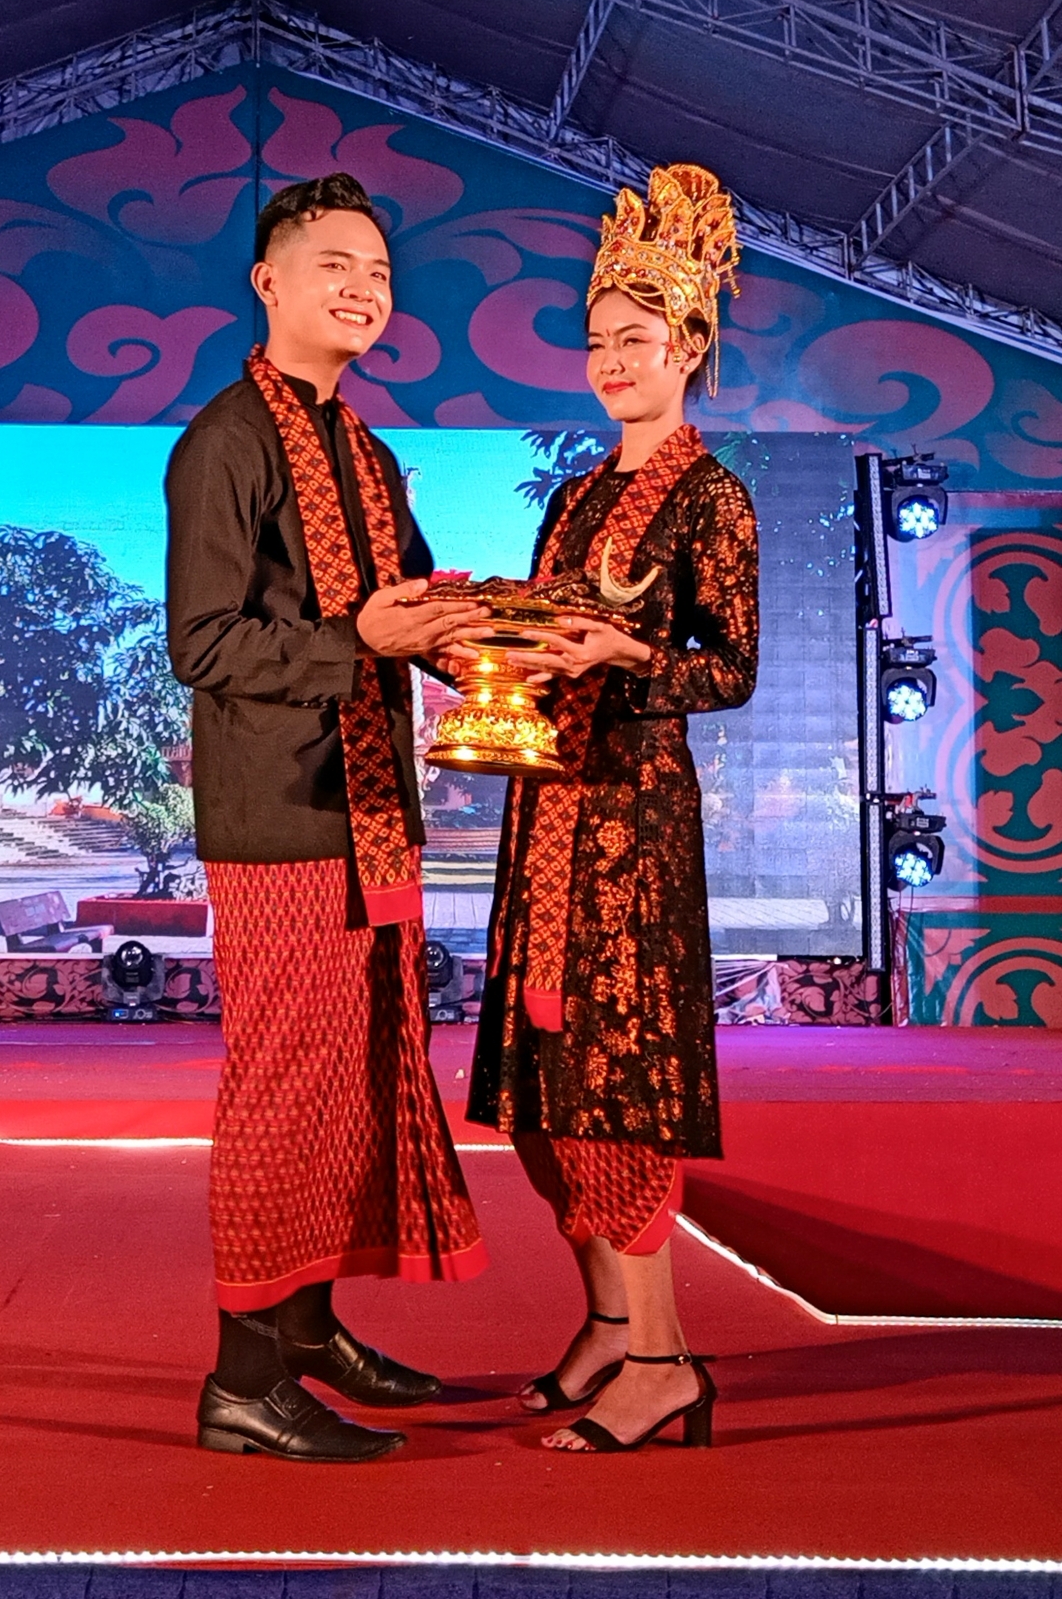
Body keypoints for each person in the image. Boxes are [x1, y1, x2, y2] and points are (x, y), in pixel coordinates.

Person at [166, 172, 490, 1463]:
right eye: (336, 264)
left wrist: (522, 635)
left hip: (369, 811)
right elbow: (202, 640)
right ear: (270, 281)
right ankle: (245, 1377)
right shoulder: (225, 442)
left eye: (378, 272)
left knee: (350, 1082)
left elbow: (413, 599)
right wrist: (356, 640)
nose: (363, 289)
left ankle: (306, 1330)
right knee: (281, 1089)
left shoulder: (365, 449)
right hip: (280, 818)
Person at [466, 164, 759, 1454]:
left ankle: (667, 1361)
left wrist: (627, 659)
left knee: (612, 1085)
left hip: (634, 824)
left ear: (690, 345)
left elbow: (730, 668)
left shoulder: (712, 496)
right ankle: (603, 1323)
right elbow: (549, 633)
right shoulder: (578, 496)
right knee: (535, 1090)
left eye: (636, 342)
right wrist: (499, 652)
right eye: (596, 344)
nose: (611, 364)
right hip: (549, 816)